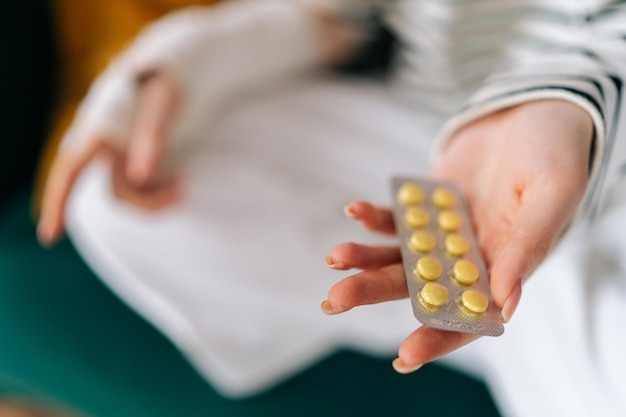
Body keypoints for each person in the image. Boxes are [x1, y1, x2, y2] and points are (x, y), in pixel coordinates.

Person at [37, 0, 626, 415]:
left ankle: (527, 327)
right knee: (115, 196)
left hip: (602, 147)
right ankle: (515, 325)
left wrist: (574, 106)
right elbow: (338, 17)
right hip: (440, 131)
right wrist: (182, 65)